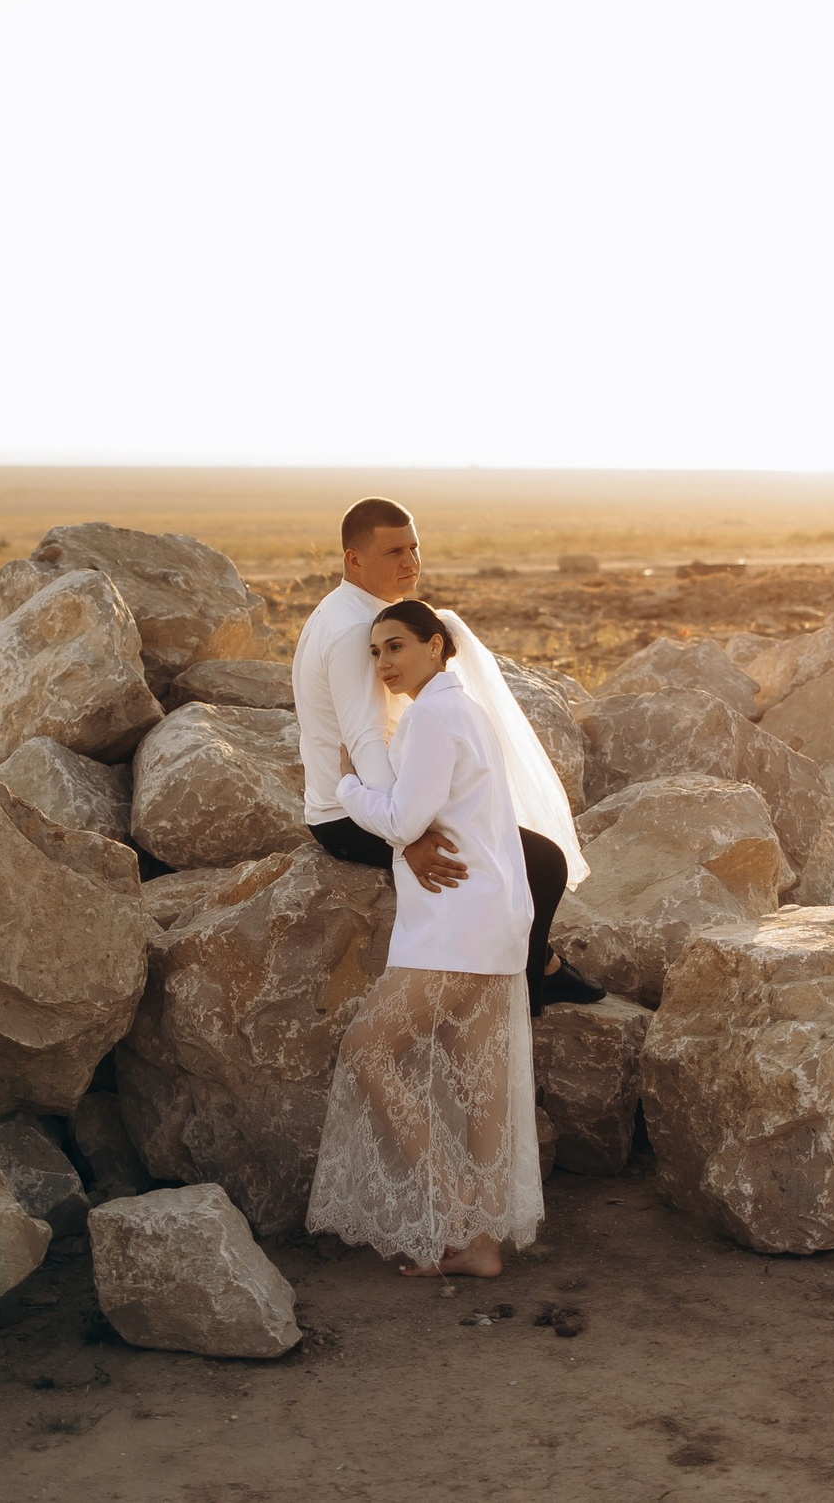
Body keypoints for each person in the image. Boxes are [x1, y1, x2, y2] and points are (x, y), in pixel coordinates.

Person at [305, 600, 543, 1277]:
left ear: (436, 645)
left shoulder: (434, 715)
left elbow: (406, 817)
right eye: (376, 651)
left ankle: (456, 1196)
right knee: (481, 1090)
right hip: (495, 922)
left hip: (453, 922)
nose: (384, 662)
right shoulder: (465, 710)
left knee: (368, 1049)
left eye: (397, 646)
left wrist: (347, 784)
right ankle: (483, 1246)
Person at [293, 496, 602, 1010]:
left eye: (414, 547)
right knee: (543, 864)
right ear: (354, 560)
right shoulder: (353, 630)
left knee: (514, 840)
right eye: (393, 551)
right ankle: (528, 986)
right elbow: (366, 738)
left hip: (375, 796)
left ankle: (537, 964)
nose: (410, 562)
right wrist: (405, 836)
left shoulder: (349, 610)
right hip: (349, 815)